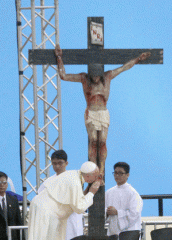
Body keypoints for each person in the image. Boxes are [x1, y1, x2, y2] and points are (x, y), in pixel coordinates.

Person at [55, 44, 151, 178]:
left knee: (102, 142)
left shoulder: (107, 77)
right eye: (93, 76)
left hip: (103, 112)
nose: (95, 78)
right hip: (91, 113)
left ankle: (101, 169)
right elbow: (63, 76)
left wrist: (138, 59)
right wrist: (59, 57)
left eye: (97, 76)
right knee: (93, 140)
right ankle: (93, 168)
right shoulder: (84, 78)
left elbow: (124, 68)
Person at [38, 149, 84, 240]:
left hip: (72, 225)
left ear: (66, 163)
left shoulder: (75, 180)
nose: (57, 166)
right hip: (55, 227)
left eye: (60, 163)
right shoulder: (47, 183)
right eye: (54, 164)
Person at [105, 162, 143, 240]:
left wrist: (118, 212)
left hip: (128, 235)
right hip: (113, 231)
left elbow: (134, 213)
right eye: (115, 172)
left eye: (120, 173)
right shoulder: (109, 192)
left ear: (127, 175)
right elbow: (104, 210)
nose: (117, 175)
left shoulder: (133, 194)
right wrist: (107, 212)